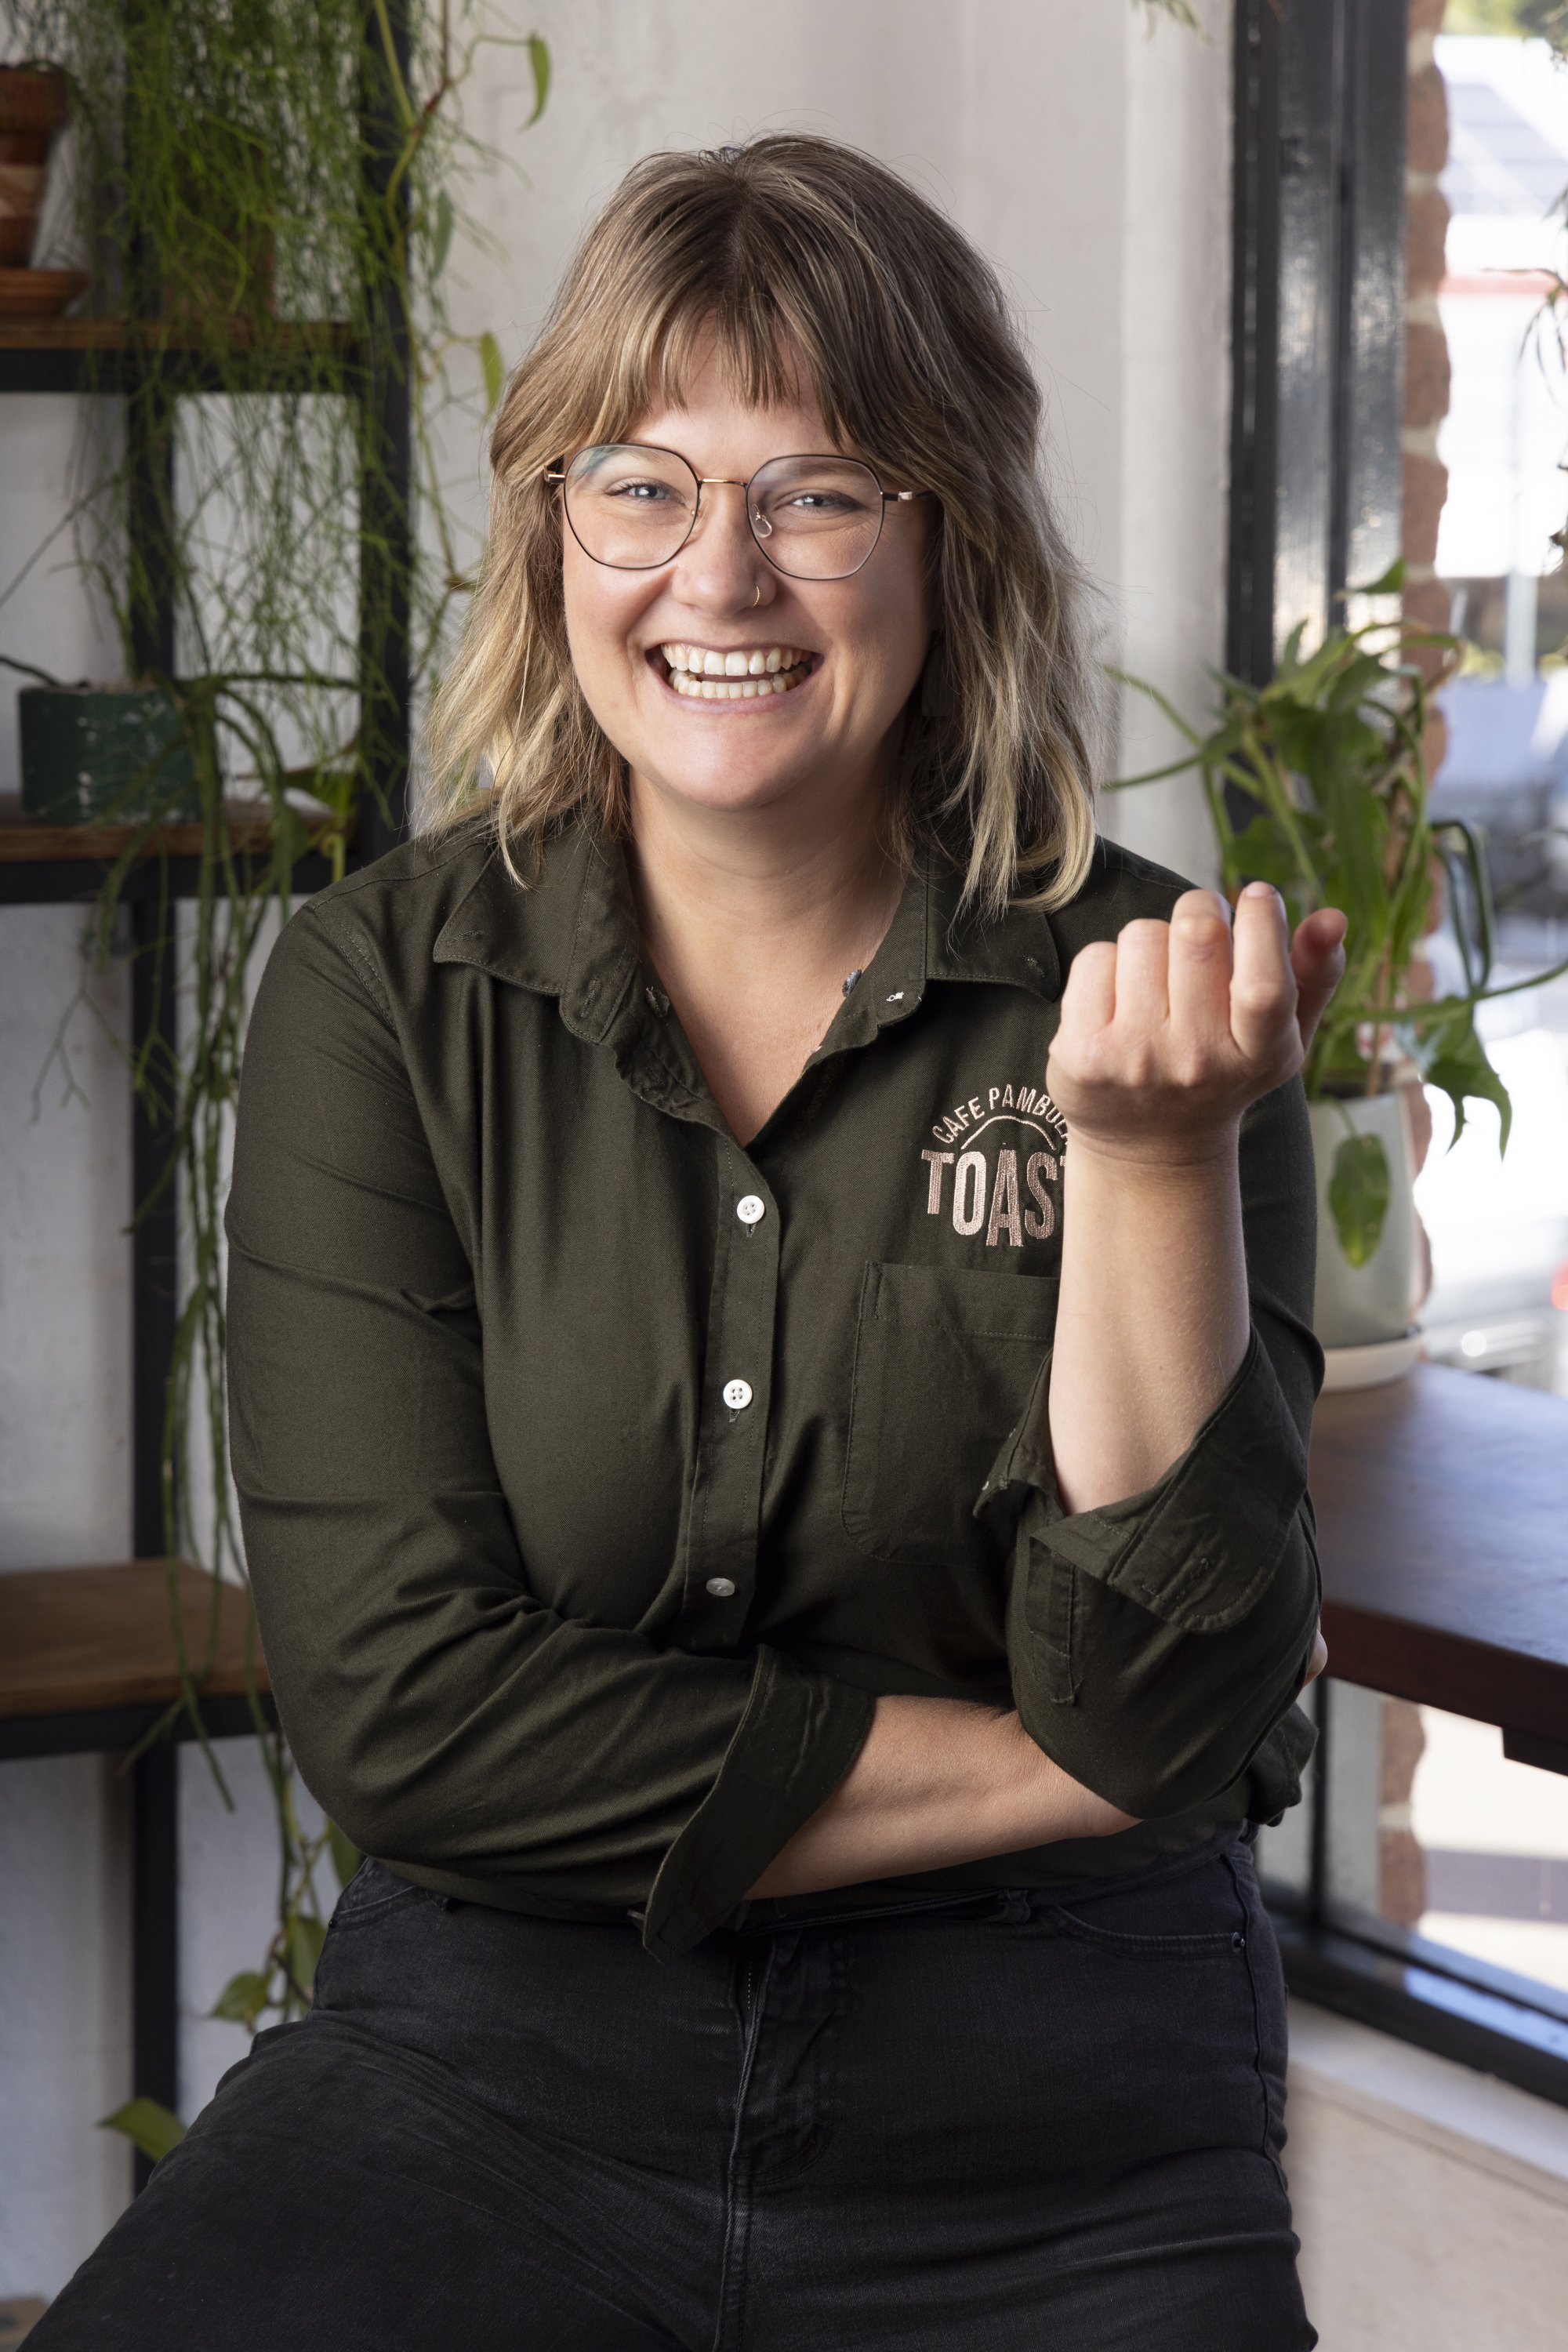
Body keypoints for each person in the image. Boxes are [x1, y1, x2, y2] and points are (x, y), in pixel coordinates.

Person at [35, 134, 1342, 2350]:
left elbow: (1173, 1679)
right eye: (638, 483)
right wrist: (1062, 1765)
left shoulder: (1157, 1000)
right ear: (556, 532)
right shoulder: (387, 994)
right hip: (496, 2061)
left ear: (949, 539)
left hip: (1055, 2106)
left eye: (818, 491)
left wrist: (1139, 1170)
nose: (716, 576)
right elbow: (414, 1723)